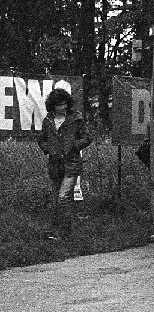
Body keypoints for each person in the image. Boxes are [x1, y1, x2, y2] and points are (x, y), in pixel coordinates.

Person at [37, 88, 93, 240]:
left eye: (64, 104)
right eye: (59, 105)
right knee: (56, 199)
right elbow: (41, 139)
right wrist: (48, 149)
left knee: (63, 197)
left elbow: (87, 137)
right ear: (52, 106)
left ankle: (65, 233)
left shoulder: (76, 119)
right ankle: (55, 232)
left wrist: (75, 145)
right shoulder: (48, 121)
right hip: (55, 165)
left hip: (72, 164)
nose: (63, 107)